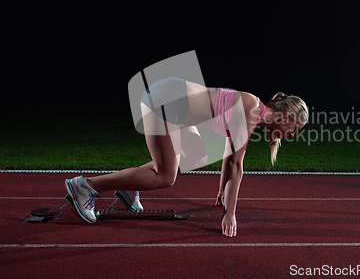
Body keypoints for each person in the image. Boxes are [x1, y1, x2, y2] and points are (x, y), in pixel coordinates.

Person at [65, 77, 308, 237]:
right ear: (285, 118)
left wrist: (222, 192)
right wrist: (230, 214)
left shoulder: (254, 108)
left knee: (195, 154)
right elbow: (235, 164)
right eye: (295, 128)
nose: (292, 134)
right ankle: (85, 186)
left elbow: (228, 156)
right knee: (165, 176)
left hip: (170, 98)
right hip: (164, 101)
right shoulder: (252, 110)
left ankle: (128, 189)